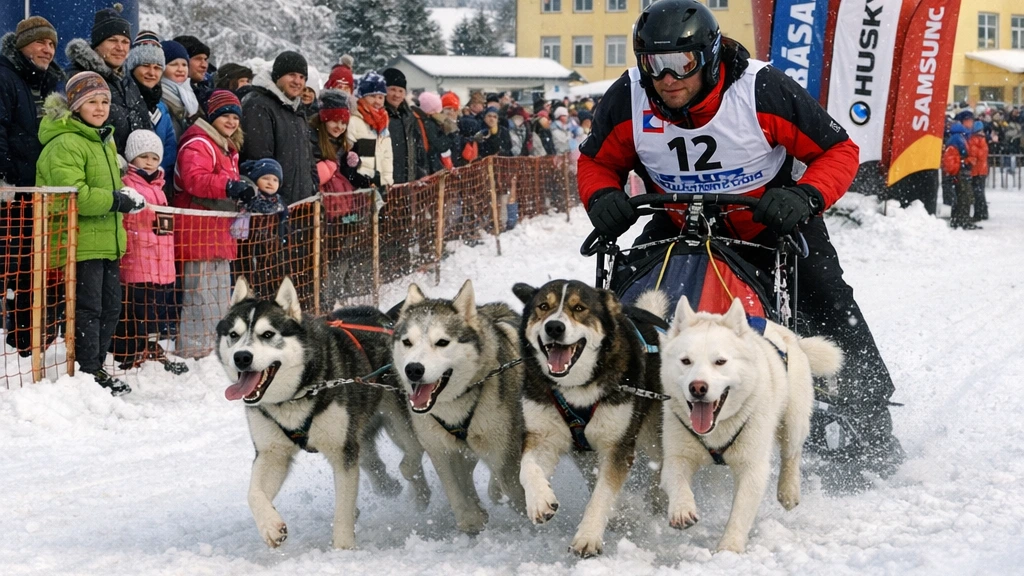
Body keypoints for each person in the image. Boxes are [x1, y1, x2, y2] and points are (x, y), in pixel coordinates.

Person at [579, 0, 903, 490]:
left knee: (828, 300)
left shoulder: (760, 88)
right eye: (653, 63)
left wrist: (805, 196)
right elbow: (596, 161)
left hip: (768, 220)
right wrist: (602, 196)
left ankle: (870, 413)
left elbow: (838, 150)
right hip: (677, 219)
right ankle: (613, 406)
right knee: (625, 301)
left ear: (709, 58)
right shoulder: (628, 96)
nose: (666, 78)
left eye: (681, 63)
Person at [36, 72, 146, 395]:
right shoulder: (65, 143)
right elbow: (75, 196)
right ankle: (88, 371)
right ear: (75, 106)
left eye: (105, 101)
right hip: (79, 242)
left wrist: (125, 195)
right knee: (88, 309)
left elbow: (108, 187)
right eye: (92, 102)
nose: (100, 108)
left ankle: (97, 365)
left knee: (111, 308)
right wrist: (116, 200)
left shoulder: (104, 140)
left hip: (107, 240)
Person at [1, 16, 65, 356]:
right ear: (22, 44)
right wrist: (6, 176)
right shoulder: (6, 77)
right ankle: (17, 342)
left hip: (42, 192)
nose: (48, 49)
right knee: (14, 267)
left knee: (36, 266)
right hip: (14, 192)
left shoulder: (52, 82)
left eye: (52, 44)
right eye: (41, 42)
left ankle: (29, 341)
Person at [173, 89, 253, 355]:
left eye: (235, 118)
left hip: (218, 232)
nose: (231, 122)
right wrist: (228, 186)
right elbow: (194, 179)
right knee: (199, 296)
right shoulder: (199, 143)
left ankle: (215, 346)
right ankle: (195, 350)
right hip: (199, 231)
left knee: (218, 297)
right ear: (212, 116)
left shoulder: (225, 147)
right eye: (225, 116)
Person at [113, 129, 187, 374]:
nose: (149, 162)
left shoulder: (160, 188)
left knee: (153, 309)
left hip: (159, 261)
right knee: (135, 309)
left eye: (154, 158)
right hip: (137, 258)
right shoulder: (128, 184)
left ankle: (148, 345)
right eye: (143, 156)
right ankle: (130, 350)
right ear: (132, 157)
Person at [65, 5, 152, 154]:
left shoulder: (127, 81)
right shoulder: (79, 79)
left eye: (125, 42)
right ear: (97, 45)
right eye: (112, 40)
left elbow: (145, 124)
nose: (120, 48)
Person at [241, 51, 317, 204]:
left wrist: (313, 189)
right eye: (292, 75)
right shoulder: (259, 105)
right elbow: (259, 158)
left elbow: (309, 159)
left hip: (301, 204)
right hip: (274, 203)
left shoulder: (297, 111)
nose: (297, 81)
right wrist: (271, 199)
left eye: (302, 77)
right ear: (277, 76)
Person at [126, 31, 177, 184]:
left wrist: (156, 172)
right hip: (128, 183)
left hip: (156, 184)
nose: (152, 73)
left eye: (157, 67)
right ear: (133, 67)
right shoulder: (123, 101)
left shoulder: (161, 108)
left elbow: (169, 148)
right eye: (145, 66)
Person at [238, 158, 289, 294]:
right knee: (248, 275)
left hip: (271, 247)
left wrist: (282, 236)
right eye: (265, 178)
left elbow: (284, 222)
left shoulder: (279, 202)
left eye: (275, 180)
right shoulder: (251, 198)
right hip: (250, 246)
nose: (270, 183)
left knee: (269, 275)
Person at [348, 71, 393, 188]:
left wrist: (387, 181)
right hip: (360, 187)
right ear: (362, 96)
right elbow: (347, 156)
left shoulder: (383, 123)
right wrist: (360, 181)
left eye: (381, 97)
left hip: (380, 186)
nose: (377, 101)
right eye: (372, 96)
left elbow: (387, 157)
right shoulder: (354, 121)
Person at [382, 67, 423, 183]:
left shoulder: (409, 117)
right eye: (392, 89)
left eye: (401, 91)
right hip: (387, 181)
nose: (397, 95)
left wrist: (421, 173)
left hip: (408, 181)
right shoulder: (380, 116)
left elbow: (419, 149)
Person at [941, 119, 978, 230]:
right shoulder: (959, 140)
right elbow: (956, 157)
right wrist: (965, 161)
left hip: (957, 173)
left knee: (960, 197)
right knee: (964, 197)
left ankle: (958, 219)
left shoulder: (953, 139)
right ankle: (963, 220)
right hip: (960, 173)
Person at [172, 35, 214, 109]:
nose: (204, 65)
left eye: (205, 59)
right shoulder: (168, 95)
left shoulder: (207, 95)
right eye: (198, 59)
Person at [967, 122, 989, 221]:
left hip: (977, 171)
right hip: (981, 170)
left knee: (977, 193)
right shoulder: (982, 139)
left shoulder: (974, 140)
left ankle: (979, 213)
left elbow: (976, 155)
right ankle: (983, 212)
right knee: (980, 192)